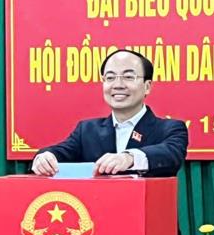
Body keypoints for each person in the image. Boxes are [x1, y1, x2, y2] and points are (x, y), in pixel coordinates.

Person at [31, 49, 188, 177]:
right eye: (110, 77)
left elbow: (170, 154)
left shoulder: (170, 129)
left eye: (128, 77)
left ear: (147, 86)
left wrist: (128, 158)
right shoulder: (87, 131)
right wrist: (45, 158)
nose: (118, 85)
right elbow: (60, 152)